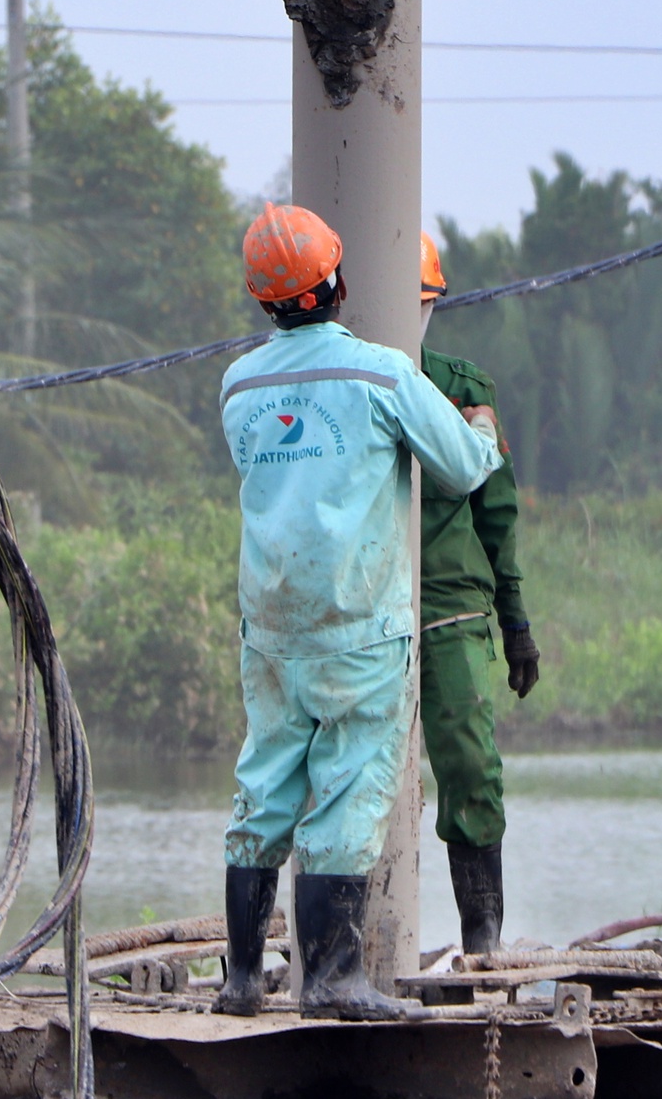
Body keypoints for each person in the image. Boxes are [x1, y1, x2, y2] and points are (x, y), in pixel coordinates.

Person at [212, 204, 502, 1021]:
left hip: (270, 627)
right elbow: (463, 468)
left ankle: (239, 979)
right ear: (337, 281)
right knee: (348, 790)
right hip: (359, 627)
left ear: (264, 299)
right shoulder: (381, 375)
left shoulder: (240, 386)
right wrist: (480, 424)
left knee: (264, 783)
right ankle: (334, 977)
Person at [415, 232, 539, 956]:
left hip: (449, 604)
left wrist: (515, 617)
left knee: (467, 763)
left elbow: (496, 510)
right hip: (361, 600)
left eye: (421, 301)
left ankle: (481, 937)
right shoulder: (346, 386)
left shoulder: (463, 387)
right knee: (342, 774)